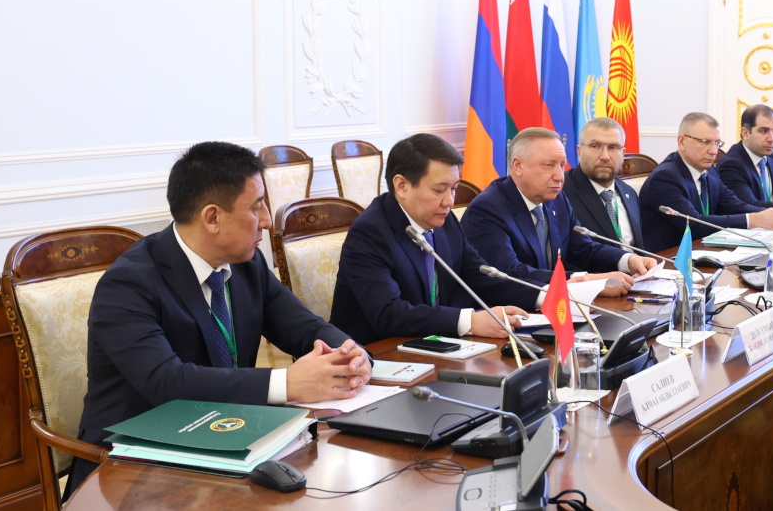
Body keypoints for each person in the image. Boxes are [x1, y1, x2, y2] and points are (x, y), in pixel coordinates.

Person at [66, 142, 371, 496]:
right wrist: (287, 383)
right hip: (132, 466)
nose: (267, 220)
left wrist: (351, 353)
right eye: (256, 206)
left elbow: (304, 326)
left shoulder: (247, 264)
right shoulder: (129, 283)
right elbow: (166, 382)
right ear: (212, 217)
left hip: (228, 442)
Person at [330, 134, 532, 345]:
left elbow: (479, 275)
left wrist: (544, 296)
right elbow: (388, 313)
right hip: (375, 353)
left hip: (435, 342)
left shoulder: (445, 221)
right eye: (439, 190)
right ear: (401, 186)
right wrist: (469, 322)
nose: (449, 201)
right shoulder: (370, 233)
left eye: (453, 188)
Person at [461, 128, 656, 292]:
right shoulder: (488, 209)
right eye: (549, 166)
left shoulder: (557, 199)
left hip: (556, 306)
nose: (559, 176)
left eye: (562, 165)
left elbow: (582, 248)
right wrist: (586, 281)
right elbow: (510, 273)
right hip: (508, 311)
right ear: (518, 166)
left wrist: (628, 260)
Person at [638, 112, 773, 252]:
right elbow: (694, 224)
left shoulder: (709, 171)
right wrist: (754, 220)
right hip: (670, 259)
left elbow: (734, 205)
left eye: (717, 143)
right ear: (682, 141)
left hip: (704, 251)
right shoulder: (664, 178)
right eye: (705, 142)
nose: (713, 151)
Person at [563, 117, 645, 252]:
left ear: (623, 154)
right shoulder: (561, 192)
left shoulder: (629, 192)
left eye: (613, 147)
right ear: (580, 151)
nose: (605, 156)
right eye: (595, 146)